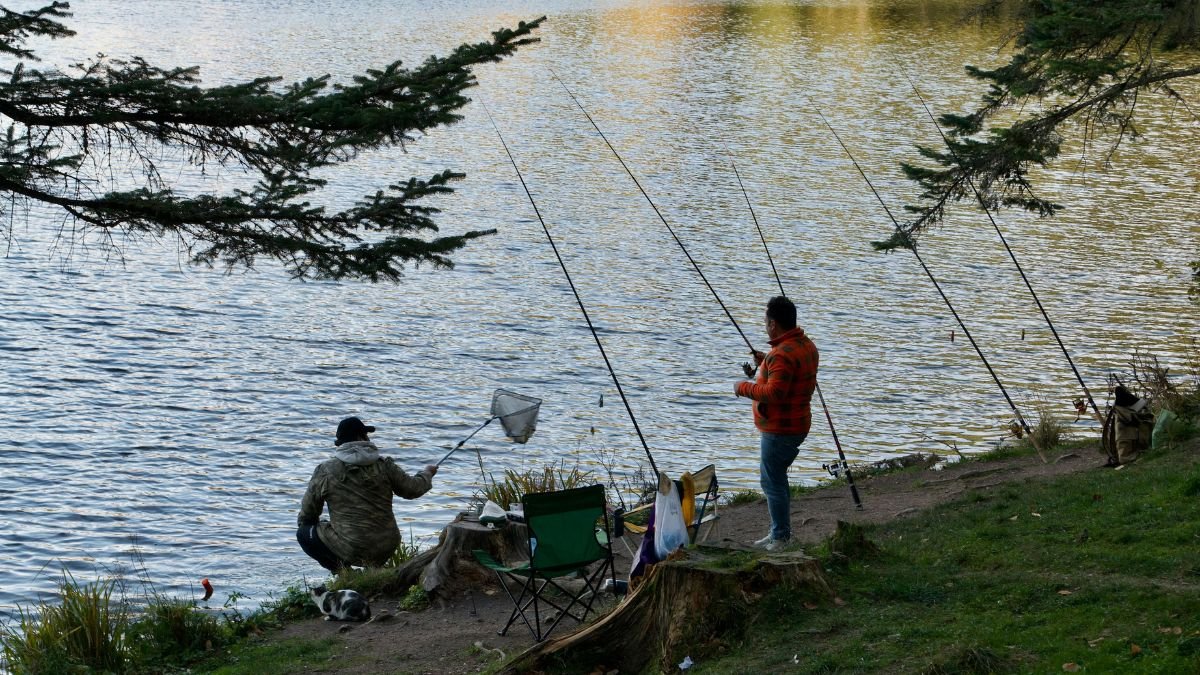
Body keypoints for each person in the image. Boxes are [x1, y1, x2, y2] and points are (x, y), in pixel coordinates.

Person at [297, 416, 438, 572]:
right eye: (366, 434)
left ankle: (344, 573)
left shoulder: (325, 470)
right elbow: (413, 489)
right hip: (387, 545)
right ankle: (373, 568)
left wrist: (316, 527)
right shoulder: (384, 465)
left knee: (304, 532)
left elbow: (308, 513)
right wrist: (427, 473)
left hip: (352, 548)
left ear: (340, 444)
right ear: (360, 437)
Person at [734, 295, 818, 551]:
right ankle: (777, 533)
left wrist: (743, 387)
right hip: (798, 422)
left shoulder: (780, 355)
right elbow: (786, 375)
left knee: (772, 482)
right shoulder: (804, 345)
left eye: (766, 320)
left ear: (773, 324)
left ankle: (781, 537)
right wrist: (765, 364)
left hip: (781, 429)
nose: (765, 325)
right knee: (776, 479)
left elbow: (774, 394)